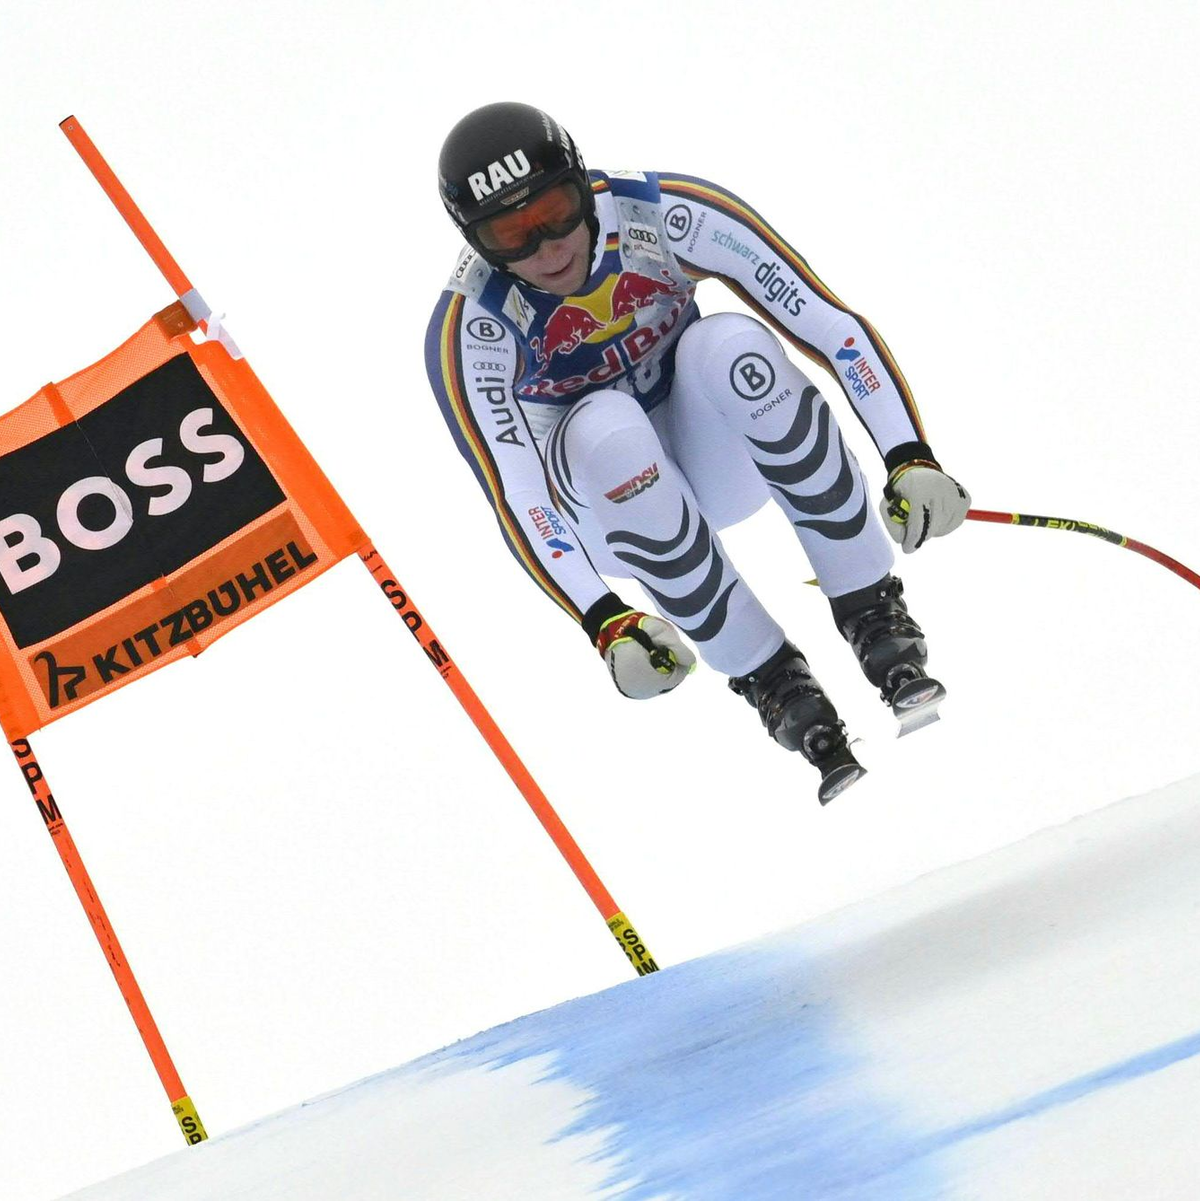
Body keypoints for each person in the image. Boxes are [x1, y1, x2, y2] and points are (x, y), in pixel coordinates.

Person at [425, 102, 970, 804]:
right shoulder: (474, 325)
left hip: (721, 459)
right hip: (613, 507)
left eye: (558, 210)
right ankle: (774, 683)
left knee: (730, 344)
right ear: (476, 241)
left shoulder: (661, 213)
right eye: (512, 234)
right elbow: (518, 494)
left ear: (581, 179)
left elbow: (829, 325)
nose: (549, 247)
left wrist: (909, 454)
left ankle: (874, 612)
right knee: (606, 423)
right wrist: (604, 618)